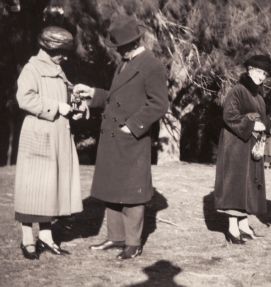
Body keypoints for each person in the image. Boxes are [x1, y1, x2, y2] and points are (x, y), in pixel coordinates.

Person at [73, 15, 169, 260]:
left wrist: (133, 126)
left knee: (132, 192)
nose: (118, 52)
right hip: (112, 138)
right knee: (112, 188)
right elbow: (118, 97)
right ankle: (116, 237)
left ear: (133, 43)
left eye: (121, 48)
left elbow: (159, 104)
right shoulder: (125, 63)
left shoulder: (151, 65)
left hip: (131, 138)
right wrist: (93, 94)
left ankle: (133, 243)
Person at [14, 26, 84, 259]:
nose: (65, 56)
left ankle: (45, 237)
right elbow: (25, 98)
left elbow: (66, 93)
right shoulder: (32, 68)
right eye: (62, 51)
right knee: (32, 188)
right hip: (38, 135)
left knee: (49, 188)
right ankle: (27, 239)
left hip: (58, 135)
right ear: (50, 48)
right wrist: (56, 107)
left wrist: (76, 105)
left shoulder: (57, 68)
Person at [214, 55, 271, 244]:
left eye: (264, 74)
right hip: (235, 145)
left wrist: (270, 120)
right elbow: (229, 115)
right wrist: (251, 123)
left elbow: (262, 120)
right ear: (249, 70)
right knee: (235, 185)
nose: (261, 77)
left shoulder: (258, 95)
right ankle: (233, 228)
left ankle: (243, 225)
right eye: (258, 72)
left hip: (249, 146)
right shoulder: (238, 90)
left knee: (247, 185)